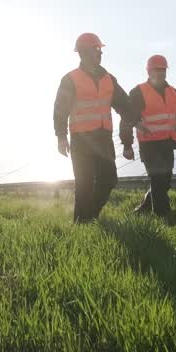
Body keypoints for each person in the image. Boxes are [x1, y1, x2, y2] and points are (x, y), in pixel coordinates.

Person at [54, 32, 131, 222]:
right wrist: (61, 137)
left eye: (100, 50)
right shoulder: (70, 79)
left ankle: (89, 216)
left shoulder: (108, 79)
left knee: (109, 180)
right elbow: (60, 110)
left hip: (103, 138)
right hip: (81, 140)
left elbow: (124, 105)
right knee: (84, 185)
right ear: (84, 53)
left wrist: (137, 121)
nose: (100, 54)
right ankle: (82, 224)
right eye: (97, 50)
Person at [120, 54, 176, 216]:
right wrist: (127, 145)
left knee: (165, 181)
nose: (160, 73)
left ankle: (143, 209)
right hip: (149, 144)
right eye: (157, 69)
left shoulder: (174, 93)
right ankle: (163, 216)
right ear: (149, 71)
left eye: (163, 70)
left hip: (167, 143)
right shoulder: (139, 92)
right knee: (157, 179)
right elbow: (126, 117)